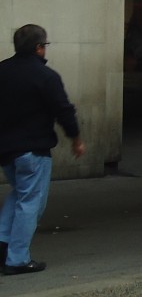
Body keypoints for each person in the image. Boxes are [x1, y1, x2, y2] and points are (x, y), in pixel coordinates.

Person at [0, 24, 85, 275]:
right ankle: (17, 259)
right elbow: (64, 110)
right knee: (31, 203)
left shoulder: (2, 71)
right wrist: (76, 138)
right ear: (38, 47)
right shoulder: (46, 77)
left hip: (6, 150)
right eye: (44, 45)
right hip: (33, 150)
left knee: (18, 195)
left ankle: (2, 244)